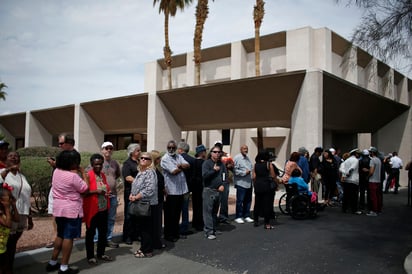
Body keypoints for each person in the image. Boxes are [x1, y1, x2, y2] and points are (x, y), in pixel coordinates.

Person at [46, 150, 88, 274]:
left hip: (59, 208)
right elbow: (85, 189)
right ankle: (64, 267)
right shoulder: (73, 176)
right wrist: (83, 173)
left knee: (60, 235)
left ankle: (52, 262)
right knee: (68, 237)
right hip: (71, 210)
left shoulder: (57, 172)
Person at [0, 151, 34, 272]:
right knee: (6, 243)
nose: (14, 158)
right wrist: (8, 169)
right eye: (11, 156)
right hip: (9, 213)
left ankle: (10, 267)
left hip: (22, 213)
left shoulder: (22, 176)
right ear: (6, 159)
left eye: (16, 156)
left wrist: (30, 217)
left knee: (13, 243)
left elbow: (26, 196)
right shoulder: (3, 173)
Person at [46, 133, 76, 248]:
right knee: (54, 212)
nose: (59, 145)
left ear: (69, 143)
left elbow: (71, 171)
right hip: (56, 187)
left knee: (61, 214)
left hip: (65, 190)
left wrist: (56, 165)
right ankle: (57, 235)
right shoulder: (62, 154)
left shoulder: (73, 155)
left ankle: (60, 237)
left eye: (61, 143)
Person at [83, 154, 113, 265]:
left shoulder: (103, 176)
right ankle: (90, 256)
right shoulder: (88, 176)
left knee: (103, 232)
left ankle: (101, 253)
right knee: (90, 233)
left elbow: (105, 188)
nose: (99, 166)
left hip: (103, 209)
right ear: (91, 165)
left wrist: (107, 193)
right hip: (92, 209)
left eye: (100, 164)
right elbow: (83, 193)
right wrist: (96, 191)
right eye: (96, 164)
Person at [129, 152, 158, 258]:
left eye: (146, 158)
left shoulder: (150, 172)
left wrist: (136, 196)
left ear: (151, 161)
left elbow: (150, 189)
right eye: (141, 158)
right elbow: (136, 186)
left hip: (147, 204)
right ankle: (143, 248)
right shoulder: (141, 172)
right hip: (140, 202)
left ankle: (147, 250)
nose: (143, 160)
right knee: (142, 228)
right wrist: (132, 194)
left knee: (146, 229)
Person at [161, 140, 189, 242]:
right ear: (167, 148)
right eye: (169, 147)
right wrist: (181, 167)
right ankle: (169, 235)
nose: (171, 149)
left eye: (173, 147)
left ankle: (175, 233)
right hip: (171, 191)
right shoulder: (165, 159)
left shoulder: (178, 156)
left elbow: (188, 165)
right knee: (170, 215)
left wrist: (180, 166)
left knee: (177, 213)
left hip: (181, 190)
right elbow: (173, 171)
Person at [95, 141, 121, 248]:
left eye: (111, 148)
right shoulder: (97, 162)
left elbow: (117, 175)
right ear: (102, 150)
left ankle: (108, 239)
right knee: (100, 219)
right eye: (106, 148)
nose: (109, 150)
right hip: (101, 196)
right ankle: (97, 240)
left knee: (111, 218)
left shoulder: (115, 163)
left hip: (113, 195)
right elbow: (90, 176)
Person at [202, 145, 226, 240]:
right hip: (209, 190)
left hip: (218, 191)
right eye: (215, 152)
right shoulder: (206, 164)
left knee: (215, 211)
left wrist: (223, 184)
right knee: (208, 211)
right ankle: (209, 231)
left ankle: (214, 228)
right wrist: (213, 170)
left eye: (219, 152)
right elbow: (204, 176)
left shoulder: (222, 164)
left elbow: (224, 175)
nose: (217, 154)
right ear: (211, 153)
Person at [121, 143, 141, 245]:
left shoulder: (139, 162)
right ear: (132, 152)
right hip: (130, 192)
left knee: (137, 214)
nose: (140, 152)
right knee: (129, 214)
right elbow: (127, 177)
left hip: (139, 193)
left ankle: (135, 234)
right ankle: (127, 236)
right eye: (138, 150)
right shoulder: (127, 164)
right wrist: (139, 182)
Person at [252, 150, 277, 230]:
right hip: (266, 185)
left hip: (258, 185)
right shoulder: (268, 164)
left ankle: (256, 221)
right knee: (267, 204)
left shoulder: (255, 165)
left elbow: (254, 177)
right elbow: (273, 175)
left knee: (257, 203)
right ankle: (267, 223)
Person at [0, 182, 19, 274]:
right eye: (9, 197)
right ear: (1, 200)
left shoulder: (5, 212)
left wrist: (14, 206)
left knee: (5, 267)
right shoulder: (1, 213)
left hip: (2, 248)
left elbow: (17, 219)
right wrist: (7, 208)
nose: (11, 199)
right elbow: (8, 224)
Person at [177, 141, 195, 237]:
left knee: (176, 209)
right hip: (187, 188)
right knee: (185, 208)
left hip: (176, 188)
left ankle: (176, 228)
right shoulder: (192, 160)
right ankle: (184, 227)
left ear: (180, 149)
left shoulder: (176, 159)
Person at [233, 145, 254, 224]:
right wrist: (244, 173)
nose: (246, 150)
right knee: (240, 201)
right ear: (240, 149)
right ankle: (238, 216)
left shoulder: (248, 158)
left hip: (249, 183)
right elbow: (234, 170)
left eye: (247, 149)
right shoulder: (237, 158)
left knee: (248, 200)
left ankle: (247, 215)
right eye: (244, 149)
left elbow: (251, 168)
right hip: (241, 183)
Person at [150, 150, 166, 250]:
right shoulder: (152, 171)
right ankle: (156, 242)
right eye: (158, 158)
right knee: (156, 222)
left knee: (156, 222)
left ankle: (156, 241)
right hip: (155, 199)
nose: (160, 160)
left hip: (158, 198)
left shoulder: (155, 169)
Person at [339, 149, 362, 215]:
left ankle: (344, 208)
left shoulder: (346, 160)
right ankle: (354, 210)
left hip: (346, 180)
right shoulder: (356, 160)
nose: (359, 155)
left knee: (346, 195)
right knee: (354, 196)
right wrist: (348, 172)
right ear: (355, 154)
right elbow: (352, 168)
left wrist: (344, 173)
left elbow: (341, 168)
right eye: (358, 154)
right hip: (354, 180)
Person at [191, 145, 207, 231]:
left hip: (195, 188)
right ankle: (200, 224)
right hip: (202, 187)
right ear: (202, 152)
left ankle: (195, 223)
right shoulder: (204, 163)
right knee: (201, 206)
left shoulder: (193, 162)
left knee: (195, 206)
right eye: (205, 151)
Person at [366, 147, 382, 217]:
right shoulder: (378, 160)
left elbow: (371, 171)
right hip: (378, 180)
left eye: (370, 152)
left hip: (372, 180)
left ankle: (374, 211)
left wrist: (367, 175)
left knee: (373, 197)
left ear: (372, 153)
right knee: (378, 196)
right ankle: (378, 210)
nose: (369, 153)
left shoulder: (372, 160)